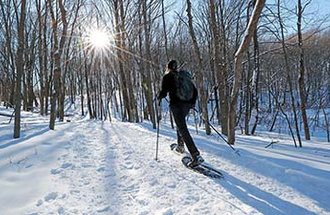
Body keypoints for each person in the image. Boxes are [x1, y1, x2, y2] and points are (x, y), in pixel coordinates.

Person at [158, 60, 204, 167]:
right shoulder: (183, 76)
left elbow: (164, 92)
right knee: (181, 125)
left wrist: (159, 96)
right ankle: (180, 146)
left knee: (182, 128)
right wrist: (192, 103)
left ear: (168, 67)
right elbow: (195, 91)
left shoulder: (168, 77)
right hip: (187, 105)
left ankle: (195, 155)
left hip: (176, 105)